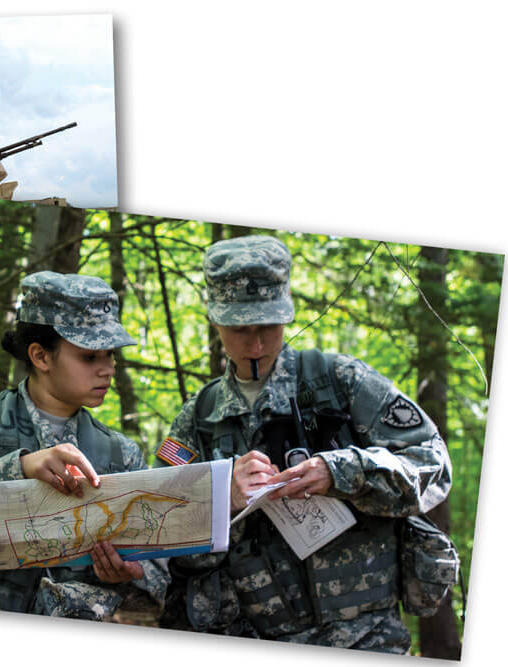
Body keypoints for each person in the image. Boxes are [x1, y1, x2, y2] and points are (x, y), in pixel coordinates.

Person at [156, 235, 452, 652]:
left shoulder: (342, 382)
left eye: (269, 326)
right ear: (215, 321)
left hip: (365, 639)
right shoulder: (198, 418)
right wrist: (220, 497)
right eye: (240, 329)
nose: (255, 344)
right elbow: (157, 531)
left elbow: (433, 465)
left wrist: (344, 472)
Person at [0, 271, 167, 618]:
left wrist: (128, 577)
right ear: (40, 356)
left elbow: (157, 581)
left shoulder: (120, 454)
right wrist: (16, 470)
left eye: (110, 355)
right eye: (90, 356)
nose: (108, 369)